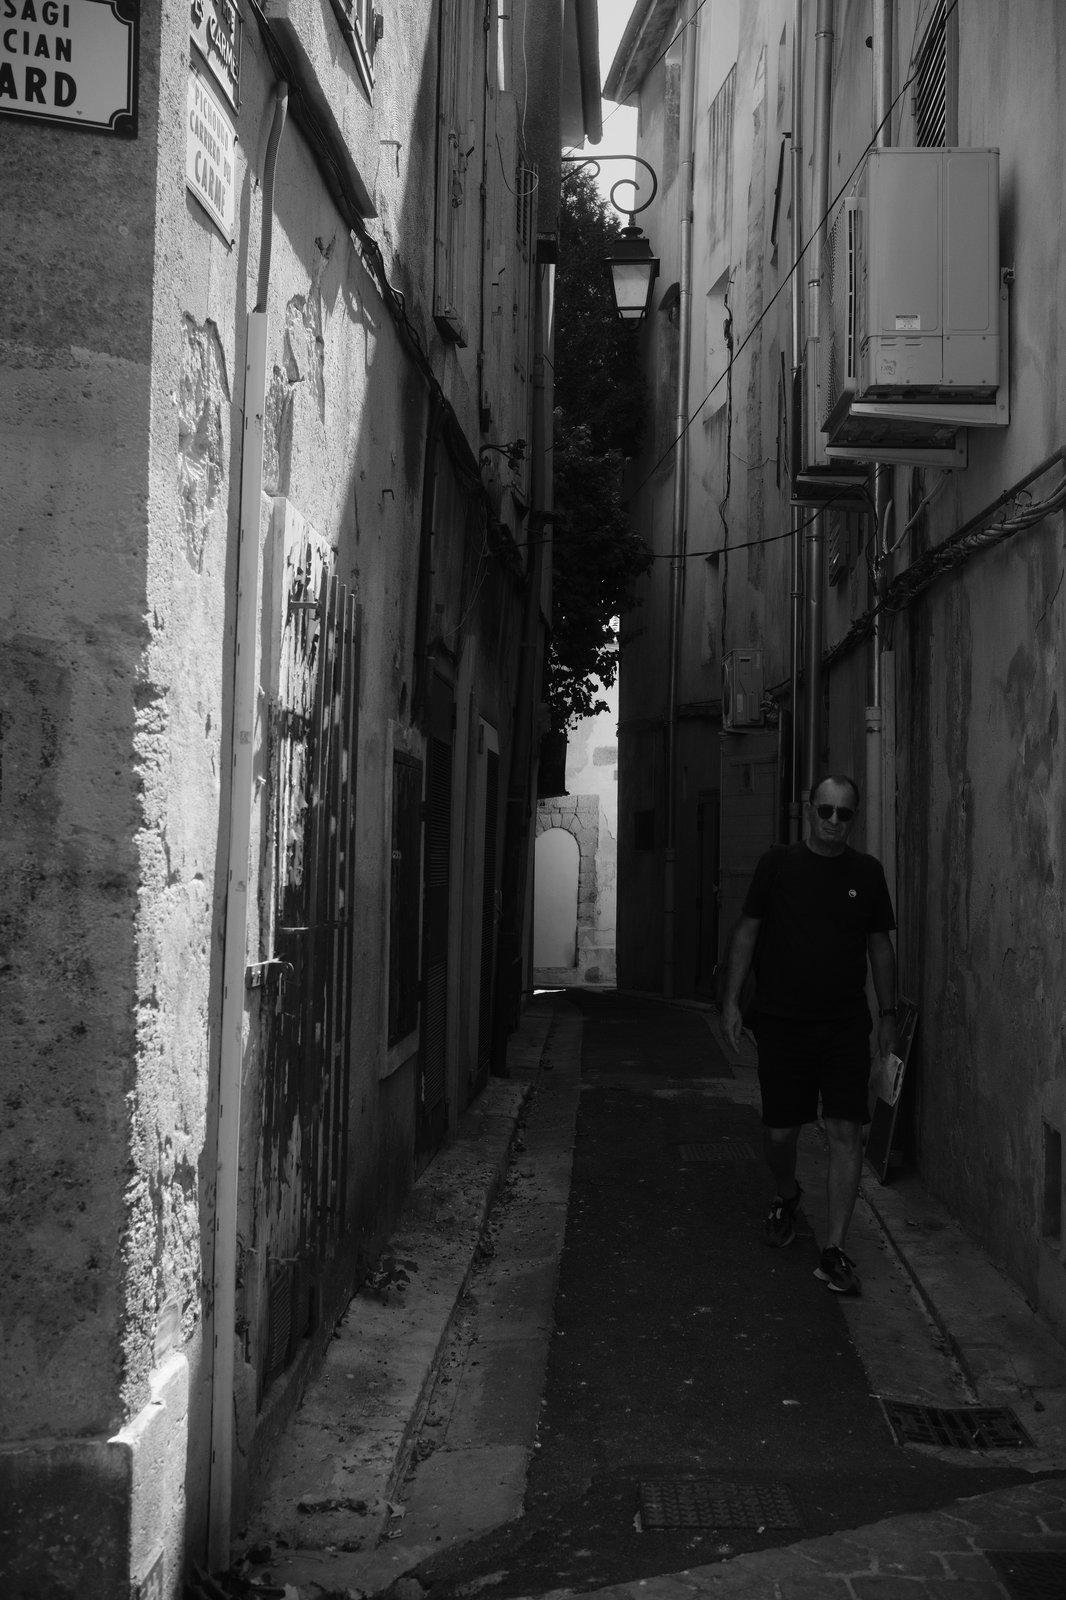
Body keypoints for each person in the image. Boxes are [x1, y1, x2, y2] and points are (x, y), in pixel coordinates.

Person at [721, 775, 897, 1297]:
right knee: (781, 1135)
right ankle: (786, 1193)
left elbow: (879, 946)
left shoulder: (866, 873)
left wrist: (887, 1013)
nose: (835, 822)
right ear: (808, 811)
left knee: (847, 1133)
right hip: (781, 1023)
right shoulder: (777, 865)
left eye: (845, 814)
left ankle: (836, 1249)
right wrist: (731, 1000)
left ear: (854, 818)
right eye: (826, 811)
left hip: (845, 1026)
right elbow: (748, 930)